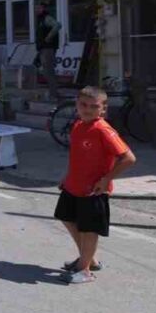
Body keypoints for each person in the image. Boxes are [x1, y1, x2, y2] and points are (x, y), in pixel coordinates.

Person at [55, 86, 135, 284]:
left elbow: (128, 158)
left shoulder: (103, 129)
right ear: (77, 104)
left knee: (89, 229)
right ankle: (89, 259)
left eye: (94, 106)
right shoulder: (78, 125)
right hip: (73, 184)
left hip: (93, 190)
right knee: (65, 217)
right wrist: (67, 176)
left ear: (103, 108)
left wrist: (106, 180)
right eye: (83, 105)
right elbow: (79, 157)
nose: (88, 109)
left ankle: (84, 271)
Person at [36, 4, 61, 100]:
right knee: (46, 71)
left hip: (48, 49)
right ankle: (53, 92)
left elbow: (57, 25)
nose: (36, 10)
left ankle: (53, 94)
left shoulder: (46, 18)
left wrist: (48, 38)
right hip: (43, 48)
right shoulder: (41, 20)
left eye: (39, 8)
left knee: (49, 71)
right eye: (36, 8)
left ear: (43, 9)